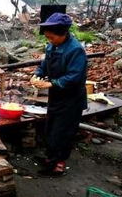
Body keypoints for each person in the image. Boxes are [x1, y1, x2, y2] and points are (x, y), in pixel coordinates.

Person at [30, 13, 87, 177]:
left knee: (63, 132)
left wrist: (51, 83)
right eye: (47, 37)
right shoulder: (51, 47)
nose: (49, 41)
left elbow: (75, 77)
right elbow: (44, 65)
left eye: (52, 37)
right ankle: (50, 158)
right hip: (56, 96)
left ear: (63, 34)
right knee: (50, 129)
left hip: (72, 98)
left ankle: (59, 164)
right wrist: (37, 75)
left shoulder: (76, 50)